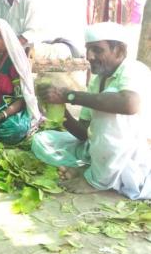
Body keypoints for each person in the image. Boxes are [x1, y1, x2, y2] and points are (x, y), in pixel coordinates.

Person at [32, 22, 151, 199]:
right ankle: (91, 168)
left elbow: (129, 104)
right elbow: (84, 134)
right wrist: (59, 107)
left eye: (97, 50)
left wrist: (69, 95)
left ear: (118, 51)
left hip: (131, 152)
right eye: (88, 49)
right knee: (42, 140)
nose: (89, 56)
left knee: (109, 99)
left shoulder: (134, 70)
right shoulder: (97, 80)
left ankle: (97, 180)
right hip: (101, 148)